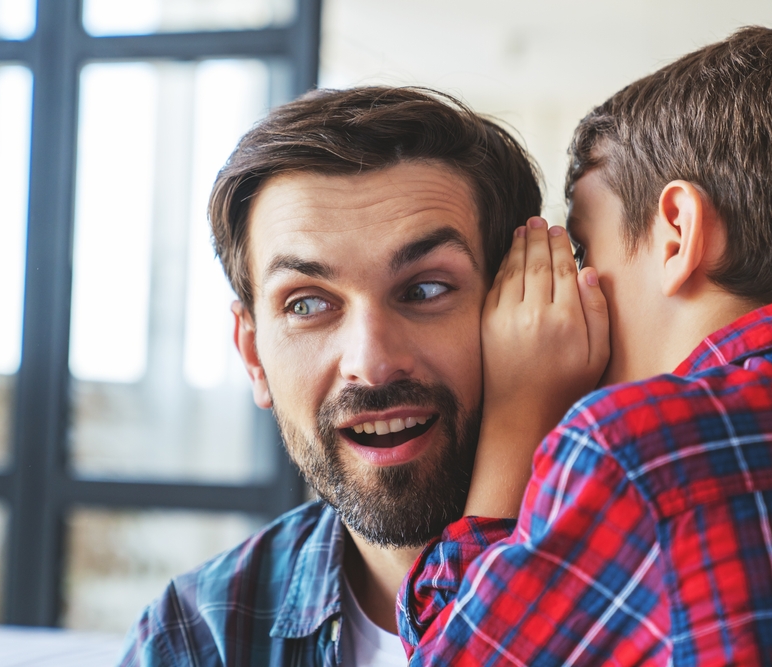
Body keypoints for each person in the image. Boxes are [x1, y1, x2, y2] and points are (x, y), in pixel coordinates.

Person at [398, 26, 772, 665]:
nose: (575, 282)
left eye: (584, 247)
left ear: (677, 232)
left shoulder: (628, 448)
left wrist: (518, 412)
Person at [117, 86, 598, 667]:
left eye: (425, 290)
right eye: (307, 304)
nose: (371, 362)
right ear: (253, 355)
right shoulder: (198, 635)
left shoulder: (652, 580)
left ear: (527, 300)